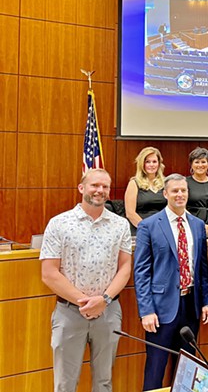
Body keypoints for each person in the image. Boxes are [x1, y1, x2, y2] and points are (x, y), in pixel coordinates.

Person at [40, 168, 132, 392]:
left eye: (105, 186)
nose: (100, 190)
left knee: (104, 381)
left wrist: (104, 299)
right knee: (65, 383)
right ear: (82, 188)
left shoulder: (120, 225)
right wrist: (85, 301)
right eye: (95, 185)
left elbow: (125, 267)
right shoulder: (59, 223)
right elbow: (49, 273)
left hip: (108, 312)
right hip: (70, 313)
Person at [134, 173, 208, 391]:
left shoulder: (198, 225)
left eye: (183, 190)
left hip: (191, 306)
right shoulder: (149, 226)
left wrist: (207, 301)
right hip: (160, 310)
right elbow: (141, 272)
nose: (180, 195)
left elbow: (202, 269)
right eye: (175, 191)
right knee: (155, 368)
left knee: (187, 368)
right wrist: (146, 310)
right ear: (165, 194)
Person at [124, 146, 167, 234]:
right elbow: (130, 213)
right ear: (142, 164)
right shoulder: (134, 183)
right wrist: (147, 229)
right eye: (147, 162)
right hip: (140, 229)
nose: (151, 165)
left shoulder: (166, 183)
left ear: (159, 164)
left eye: (154, 161)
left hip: (163, 230)